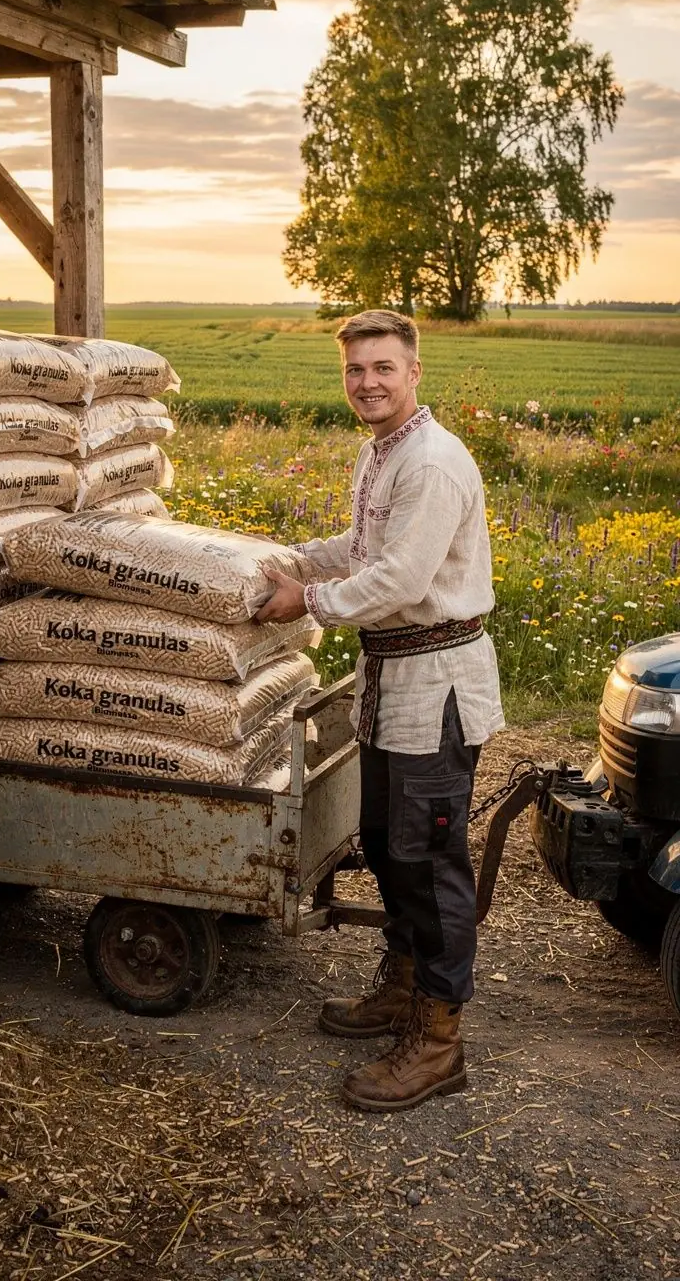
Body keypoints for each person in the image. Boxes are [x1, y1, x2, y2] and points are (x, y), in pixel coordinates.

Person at [254, 309, 504, 1112]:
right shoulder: (382, 453)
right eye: (356, 370)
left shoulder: (430, 462)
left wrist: (308, 599)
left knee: (429, 867)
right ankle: (401, 988)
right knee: (391, 849)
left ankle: (439, 1042)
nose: (367, 383)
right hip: (392, 679)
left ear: (414, 372)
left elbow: (398, 580)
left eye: (383, 368)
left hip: (435, 684)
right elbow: (369, 549)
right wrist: (292, 558)